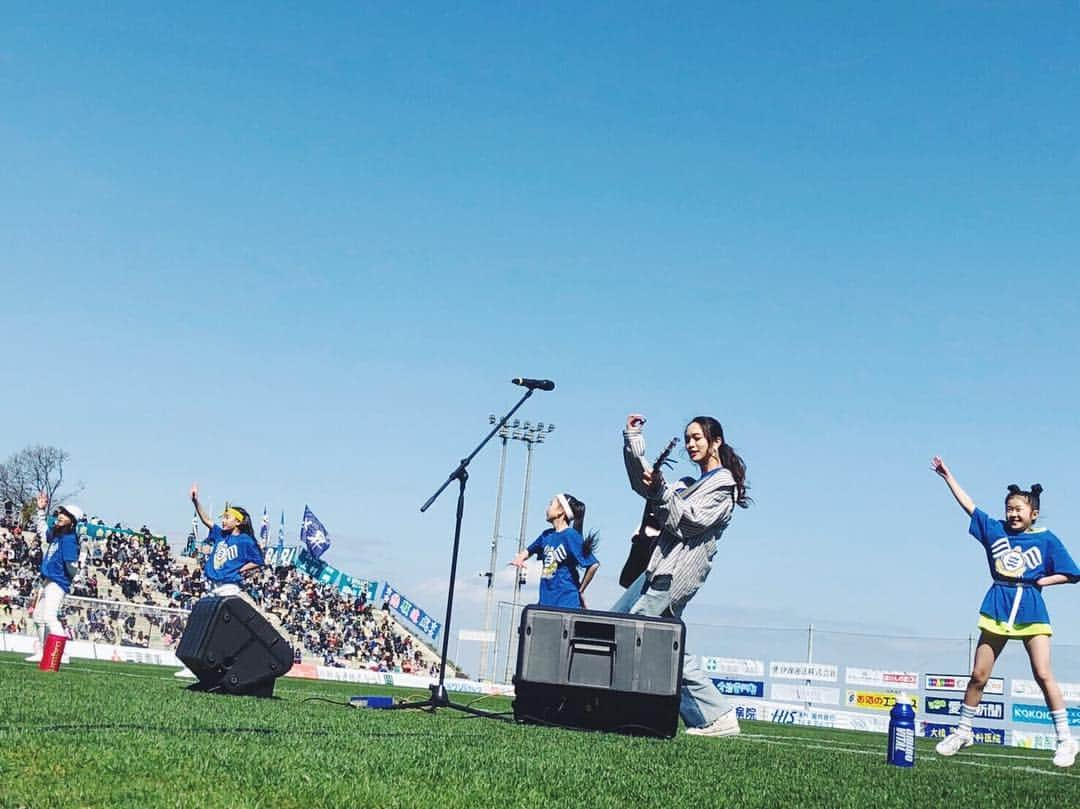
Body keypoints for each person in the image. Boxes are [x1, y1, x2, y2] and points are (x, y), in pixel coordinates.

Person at [931, 457, 1079, 767]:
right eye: (1009, 509)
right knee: (978, 675)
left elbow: (1072, 572)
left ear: (1033, 514)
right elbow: (970, 506)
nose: (1013, 514)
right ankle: (963, 731)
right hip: (998, 603)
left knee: (1042, 673)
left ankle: (1067, 740)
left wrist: (1044, 580)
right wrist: (948, 477)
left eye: (1019, 510)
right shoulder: (994, 530)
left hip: (1031, 607)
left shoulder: (1046, 539)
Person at [616, 413, 750, 738]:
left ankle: (714, 716)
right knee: (622, 624)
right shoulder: (688, 484)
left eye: (697, 438)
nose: (690, 444)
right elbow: (645, 485)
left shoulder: (723, 484)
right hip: (655, 570)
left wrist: (661, 493)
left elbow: (688, 523)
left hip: (674, 576)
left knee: (656, 641)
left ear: (715, 441)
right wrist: (634, 441)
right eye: (687, 438)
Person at [509, 493, 600, 609]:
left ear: (560, 512)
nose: (547, 508)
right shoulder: (546, 535)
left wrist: (581, 590)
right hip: (546, 601)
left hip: (566, 602)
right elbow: (529, 550)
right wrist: (519, 558)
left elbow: (593, 564)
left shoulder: (570, 536)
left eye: (551, 504)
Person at [27, 491, 84, 664]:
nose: (60, 516)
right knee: (38, 617)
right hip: (47, 580)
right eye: (60, 512)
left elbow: (72, 566)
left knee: (50, 617)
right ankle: (44, 652)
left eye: (65, 514)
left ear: (72, 521)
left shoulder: (68, 539)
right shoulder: (58, 534)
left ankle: (59, 655)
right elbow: (43, 531)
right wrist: (41, 510)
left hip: (57, 582)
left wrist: (71, 578)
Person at [190, 484, 264, 599]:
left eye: (227, 518)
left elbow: (258, 561)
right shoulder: (220, 534)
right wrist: (195, 501)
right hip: (211, 585)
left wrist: (240, 569)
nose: (223, 521)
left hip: (228, 587)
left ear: (238, 522)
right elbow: (206, 520)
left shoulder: (245, 540)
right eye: (223, 518)